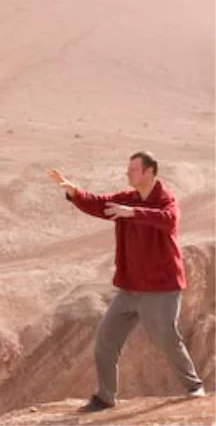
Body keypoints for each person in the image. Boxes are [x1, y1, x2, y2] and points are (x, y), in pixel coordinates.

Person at [47, 151, 206, 412]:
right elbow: (100, 204)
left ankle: (193, 386)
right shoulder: (126, 199)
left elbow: (169, 220)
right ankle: (105, 397)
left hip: (161, 289)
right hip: (130, 289)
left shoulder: (165, 199)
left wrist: (132, 213)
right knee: (106, 340)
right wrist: (74, 192)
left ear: (149, 172)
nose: (128, 173)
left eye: (133, 170)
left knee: (167, 338)